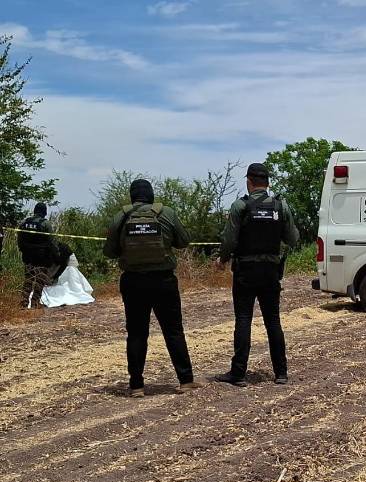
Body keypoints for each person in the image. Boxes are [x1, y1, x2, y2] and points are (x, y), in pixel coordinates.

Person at [103, 179, 201, 398]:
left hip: (133, 282)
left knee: (137, 333)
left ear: (131, 196)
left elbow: (109, 252)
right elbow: (183, 241)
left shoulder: (122, 216)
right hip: (163, 281)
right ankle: (185, 381)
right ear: (151, 195)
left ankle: (137, 386)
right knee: (173, 330)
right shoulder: (167, 213)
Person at [215, 163, 299, 387]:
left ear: (249, 182)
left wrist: (222, 260)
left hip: (245, 271)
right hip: (271, 272)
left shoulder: (240, 206)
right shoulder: (281, 206)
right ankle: (281, 373)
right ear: (268, 183)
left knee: (243, 320)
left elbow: (229, 240)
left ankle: (238, 374)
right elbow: (293, 239)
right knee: (273, 321)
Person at [17, 203, 58, 308]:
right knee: (39, 281)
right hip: (41, 258)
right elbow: (52, 241)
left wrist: (23, 250)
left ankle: (23, 303)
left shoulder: (24, 222)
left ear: (35, 211)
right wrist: (56, 254)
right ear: (44, 212)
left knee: (28, 280)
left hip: (27, 256)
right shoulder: (46, 224)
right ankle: (35, 304)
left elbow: (20, 240)